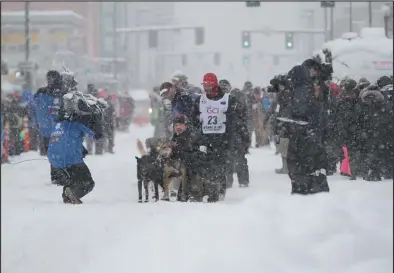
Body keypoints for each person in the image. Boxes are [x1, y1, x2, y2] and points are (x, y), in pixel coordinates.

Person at [190, 73, 248, 202]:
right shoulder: (199, 100)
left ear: (215, 84)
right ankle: (210, 191)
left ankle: (218, 191)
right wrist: (196, 135)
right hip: (205, 138)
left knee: (219, 166)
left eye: (209, 85)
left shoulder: (229, 99)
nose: (206, 88)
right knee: (206, 166)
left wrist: (231, 138)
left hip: (222, 139)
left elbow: (234, 120)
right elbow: (193, 119)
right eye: (204, 85)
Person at [48, 92, 104, 204]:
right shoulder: (78, 124)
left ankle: (67, 195)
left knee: (74, 178)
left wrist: (81, 148)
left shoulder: (58, 124)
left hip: (53, 159)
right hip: (70, 158)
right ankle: (73, 192)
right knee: (88, 183)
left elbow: (65, 139)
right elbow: (96, 135)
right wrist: (96, 121)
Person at [285, 61, 330, 195]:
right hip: (313, 135)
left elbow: (298, 113)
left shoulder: (300, 92)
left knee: (299, 166)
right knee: (315, 167)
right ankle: (317, 191)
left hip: (302, 135)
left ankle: (302, 191)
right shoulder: (312, 89)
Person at [220, 80, 250, 188]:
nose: (223, 90)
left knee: (239, 158)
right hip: (226, 132)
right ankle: (228, 181)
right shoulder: (218, 100)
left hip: (236, 131)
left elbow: (243, 114)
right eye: (221, 88)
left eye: (225, 88)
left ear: (229, 88)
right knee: (227, 158)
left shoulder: (235, 98)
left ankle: (243, 181)